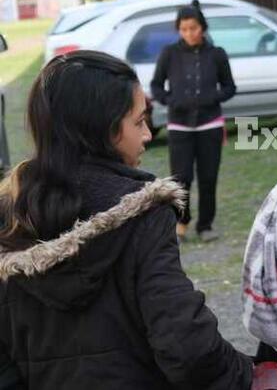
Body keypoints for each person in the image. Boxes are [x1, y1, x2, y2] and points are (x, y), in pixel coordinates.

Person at [0, 52, 252, 389]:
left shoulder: (11, 214)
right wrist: (246, 372)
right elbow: (187, 348)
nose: (148, 134)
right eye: (138, 122)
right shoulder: (144, 213)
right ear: (101, 129)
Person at [150, 0, 236, 242]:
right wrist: (170, 100)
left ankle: (205, 225)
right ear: (179, 30)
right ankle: (181, 222)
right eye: (184, 29)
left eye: (194, 28)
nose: (189, 34)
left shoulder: (217, 54)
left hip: (210, 125)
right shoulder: (169, 54)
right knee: (181, 178)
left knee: (208, 177)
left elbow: (230, 87)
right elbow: (156, 86)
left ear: (203, 28)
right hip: (179, 126)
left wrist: (212, 97)